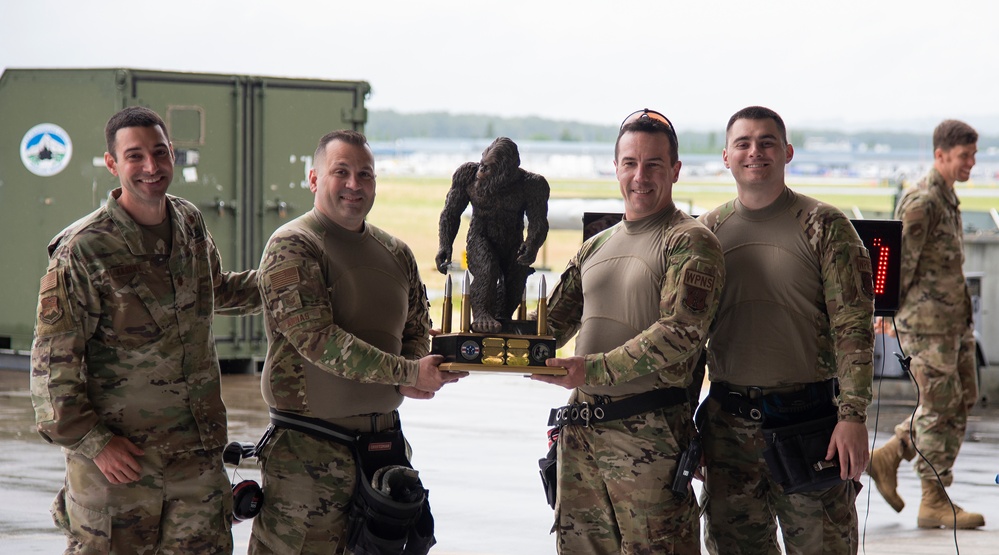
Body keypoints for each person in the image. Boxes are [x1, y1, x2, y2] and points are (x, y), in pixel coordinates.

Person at [29, 106, 262, 554]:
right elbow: (50, 372)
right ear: (112, 164)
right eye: (135, 156)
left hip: (196, 464)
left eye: (159, 152)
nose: (151, 167)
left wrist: (291, 281)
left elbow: (213, 290)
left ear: (173, 155)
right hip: (121, 472)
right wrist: (95, 444)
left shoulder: (189, 222)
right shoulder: (83, 251)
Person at [249, 129, 467, 554]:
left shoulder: (397, 252)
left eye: (364, 174)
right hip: (307, 455)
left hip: (382, 455)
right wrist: (406, 372)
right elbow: (317, 339)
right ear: (314, 179)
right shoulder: (294, 245)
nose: (354, 185)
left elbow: (416, 328)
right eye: (341, 172)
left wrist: (415, 371)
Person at [532, 109, 725, 554]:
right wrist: (483, 338)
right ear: (616, 167)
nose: (641, 176)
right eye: (631, 163)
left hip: (649, 440)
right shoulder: (596, 245)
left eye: (654, 164)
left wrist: (589, 370)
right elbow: (548, 327)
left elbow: (680, 334)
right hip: (580, 436)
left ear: (675, 170)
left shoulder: (689, 242)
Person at [697, 106, 874, 554]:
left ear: (787, 151)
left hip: (810, 425)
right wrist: (685, 428)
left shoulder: (825, 227)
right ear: (725, 156)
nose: (755, 152)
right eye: (743, 143)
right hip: (728, 429)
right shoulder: (706, 234)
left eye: (767, 142)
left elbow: (853, 328)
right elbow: (686, 340)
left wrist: (852, 417)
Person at [867, 120, 984, 529]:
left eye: (973, 155)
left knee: (962, 398)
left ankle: (891, 453)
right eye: (964, 156)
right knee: (937, 409)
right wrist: (884, 315)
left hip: (953, 324)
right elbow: (899, 265)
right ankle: (933, 500)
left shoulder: (948, 198)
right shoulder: (922, 202)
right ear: (941, 155)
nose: (971, 162)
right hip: (927, 327)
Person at [435, 137, 550, 332]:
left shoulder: (531, 185)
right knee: (487, 269)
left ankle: (501, 317)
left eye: (487, 168)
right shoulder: (467, 176)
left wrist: (532, 245)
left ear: (504, 172)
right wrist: (445, 245)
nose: (480, 171)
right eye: (481, 164)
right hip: (481, 235)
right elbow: (450, 213)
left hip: (513, 241)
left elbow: (538, 222)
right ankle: (481, 314)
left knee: (516, 280)